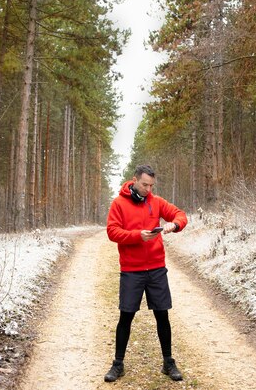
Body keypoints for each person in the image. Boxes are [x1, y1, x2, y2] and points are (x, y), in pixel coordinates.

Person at [104, 164, 188, 383]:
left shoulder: (156, 202)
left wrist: (174, 225)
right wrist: (136, 236)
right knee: (126, 316)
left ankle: (168, 362)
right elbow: (112, 232)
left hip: (157, 269)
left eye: (151, 185)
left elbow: (180, 215)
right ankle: (118, 364)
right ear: (134, 180)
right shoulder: (119, 203)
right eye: (144, 185)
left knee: (162, 315)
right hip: (132, 270)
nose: (148, 189)